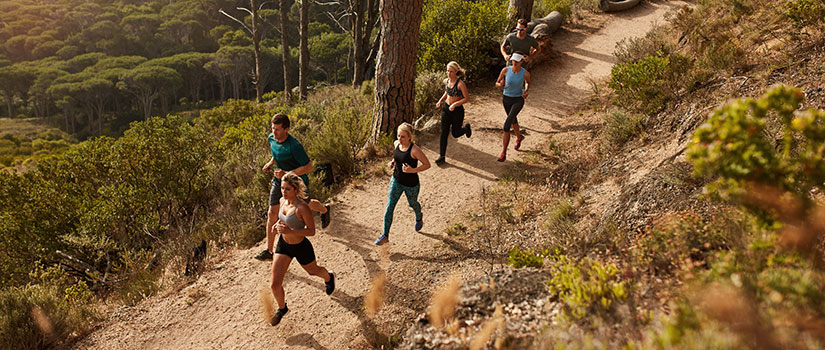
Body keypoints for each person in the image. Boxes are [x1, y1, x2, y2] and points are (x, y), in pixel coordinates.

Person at [256, 113, 331, 261]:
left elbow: (308, 166)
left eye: (278, 129)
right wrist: (270, 164)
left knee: (307, 205)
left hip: (297, 183)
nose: (274, 132)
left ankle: (324, 209)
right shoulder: (272, 138)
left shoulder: (294, 146)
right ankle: (269, 251)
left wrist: (287, 173)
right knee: (272, 212)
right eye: (273, 128)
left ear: (286, 129)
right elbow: (275, 152)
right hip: (279, 181)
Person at [268, 172, 335, 326]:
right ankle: (282, 308)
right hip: (283, 245)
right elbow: (281, 218)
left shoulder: (302, 208)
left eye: (288, 189)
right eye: (283, 188)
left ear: (296, 189)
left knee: (313, 271)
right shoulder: (281, 201)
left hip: (300, 246)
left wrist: (291, 231)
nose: (284, 192)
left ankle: (329, 278)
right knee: (274, 284)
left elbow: (311, 231)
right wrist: (276, 225)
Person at [374, 123, 431, 245]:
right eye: (398, 136)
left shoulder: (415, 150)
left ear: (410, 137)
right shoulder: (397, 144)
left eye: (403, 137)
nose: (399, 139)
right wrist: (392, 162)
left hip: (411, 184)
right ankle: (385, 235)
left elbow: (427, 164)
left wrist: (412, 170)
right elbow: (398, 156)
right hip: (396, 181)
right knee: (390, 206)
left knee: (413, 203)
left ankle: (419, 216)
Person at [495, 53, 531, 162]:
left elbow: (527, 83)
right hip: (506, 99)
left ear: (521, 62)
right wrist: (500, 84)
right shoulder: (505, 70)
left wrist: (525, 91)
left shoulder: (525, 73)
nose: (514, 62)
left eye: (517, 61)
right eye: (513, 60)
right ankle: (519, 137)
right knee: (513, 120)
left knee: (507, 125)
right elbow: (496, 83)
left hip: (518, 100)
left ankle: (503, 153)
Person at [434, 61, 472, 165]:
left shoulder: (460, 84)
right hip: (446, 109)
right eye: (447, 71)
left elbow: (467, 98)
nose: (449, 73)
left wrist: (455, 104)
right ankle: (442, 156)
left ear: (456, 72)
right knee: (444, 133)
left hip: (457, 111)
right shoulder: (446, 81)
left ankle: (466, 129)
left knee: (455, 133)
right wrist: (440, 101)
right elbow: (447, 92)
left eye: (451, 71)